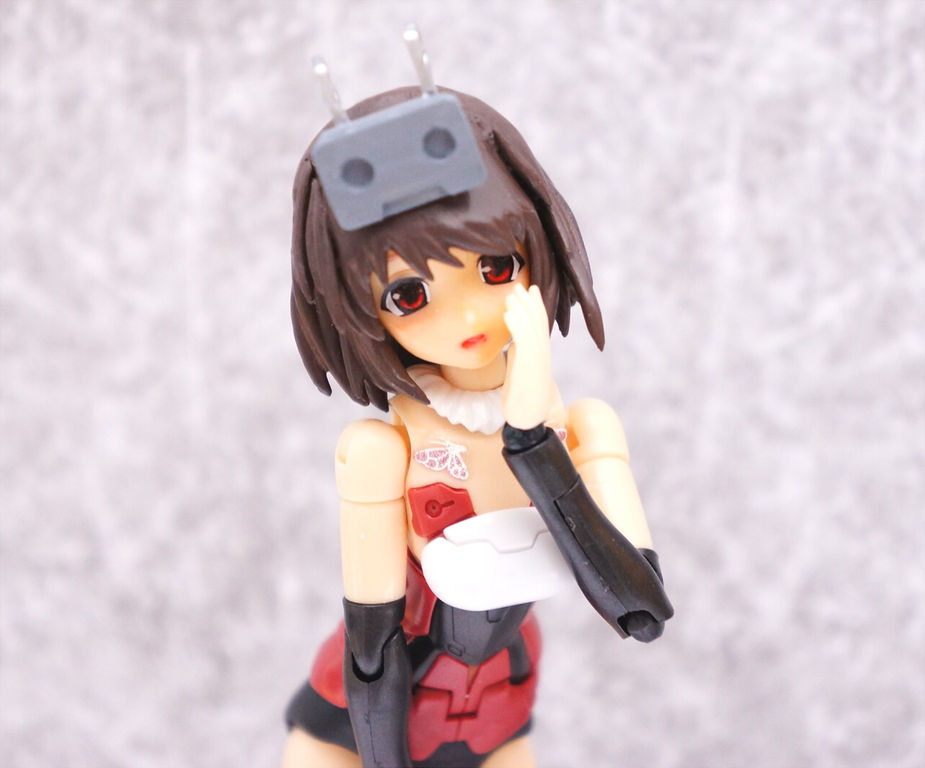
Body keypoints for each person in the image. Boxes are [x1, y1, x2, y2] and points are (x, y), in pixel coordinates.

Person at [281, 86, 673, 768]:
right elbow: (371, 644)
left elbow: (638, 607)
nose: (467, 318)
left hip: (498, 695)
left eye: (495, 267)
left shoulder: (583, 428)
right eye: (409, 295)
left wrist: (531, 437)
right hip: (379, 712)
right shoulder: (382, 450)